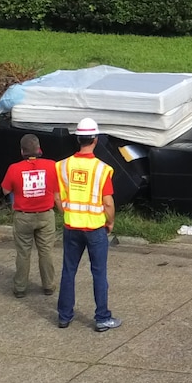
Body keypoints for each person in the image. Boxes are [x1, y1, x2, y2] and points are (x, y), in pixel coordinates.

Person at [55, 118, 121, 331]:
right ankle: (102, 318)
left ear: (78, 139)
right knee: (99, 272)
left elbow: (57, 197)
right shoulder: (102, 170)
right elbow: (108, 202)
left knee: (68, 271)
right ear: (95, 139)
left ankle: (64, 316)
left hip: (71, 227)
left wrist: (68, 213)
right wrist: (110, 222)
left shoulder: (62, 166)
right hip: (95, 228)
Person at [1, 134, 60, 298]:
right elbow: (57, 191)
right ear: (39, 149)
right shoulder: (51, 166)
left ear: (22, 151)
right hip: (45, 216)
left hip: (23, 216)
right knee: (46, 251)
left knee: (23, 253)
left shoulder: (14, 168)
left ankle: (20, 287)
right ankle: (48, 285)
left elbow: (5, 190)